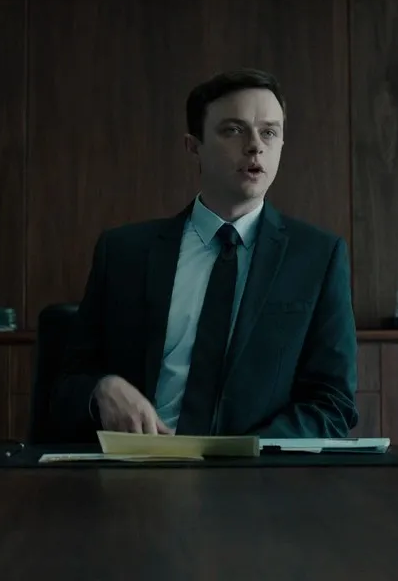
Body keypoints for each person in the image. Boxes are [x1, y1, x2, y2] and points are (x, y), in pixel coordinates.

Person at [50, 68, 359, 440]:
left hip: (259, 470)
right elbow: (65, 386)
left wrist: (248, 453)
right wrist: (101, 389)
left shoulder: (318, 257)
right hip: (140, 464)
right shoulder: (122, 253)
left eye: (269, 132)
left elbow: (332, 403)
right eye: (234, 130)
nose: (255, 146)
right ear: (193, 146)